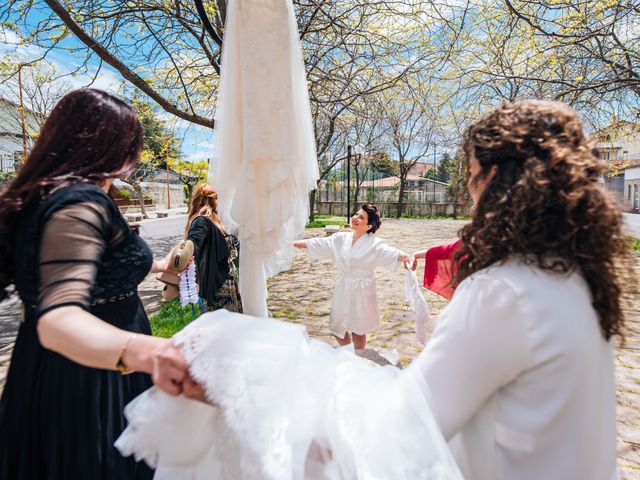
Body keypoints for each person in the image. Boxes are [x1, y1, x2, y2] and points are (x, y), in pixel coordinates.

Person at [116, 100, 629, 480]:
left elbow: (398, 430)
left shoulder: (503, 294)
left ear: (498, 180)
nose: (471, 201)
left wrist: (247, 398)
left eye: (471, 180)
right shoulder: (575, 278)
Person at [0, 89, 195, 479]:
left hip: (56, 369)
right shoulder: (80, 202)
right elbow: (58, 317)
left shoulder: (47, 197)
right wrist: (147, 353)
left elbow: (92, 269)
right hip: (90, 377)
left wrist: (159, 266)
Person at [294, 203, 413, 349]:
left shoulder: (374, 244)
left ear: (368, 226)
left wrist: (407, 257)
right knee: (337, 327)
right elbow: (319, 243)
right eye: (356, 214)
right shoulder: (341, 239)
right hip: (343, 285)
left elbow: (391, 253)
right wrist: (293, 243)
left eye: (361, 217)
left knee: (358, 329)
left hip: (362, 289)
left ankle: (358, 357)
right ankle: (348, 353)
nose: (355, 218)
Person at [185, 183, 242, 313]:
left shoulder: (216, 222)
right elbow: (193, 243)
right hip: (217, 288)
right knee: (220, 328)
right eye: (218, 198)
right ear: (211, 199)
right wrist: (185, 254)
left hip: (229, 286)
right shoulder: (201, 221)